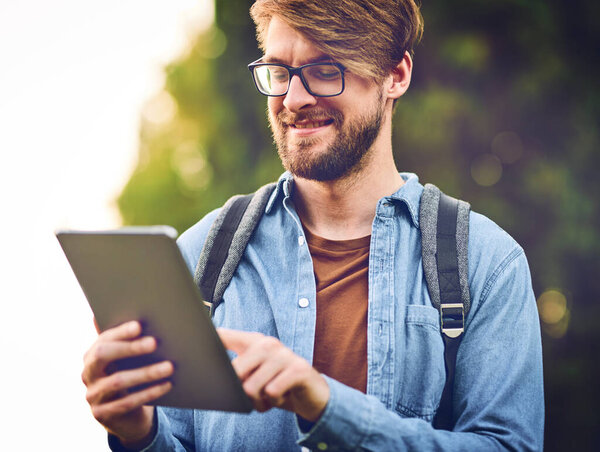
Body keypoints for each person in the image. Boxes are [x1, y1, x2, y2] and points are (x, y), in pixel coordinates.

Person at [81, 1, 544, 450]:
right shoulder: (201, 256)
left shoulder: (487, 263)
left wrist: (327, 407)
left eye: (326, 70)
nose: (293, 99)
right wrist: (138, 434)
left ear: (395, 75)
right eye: (279, 72)